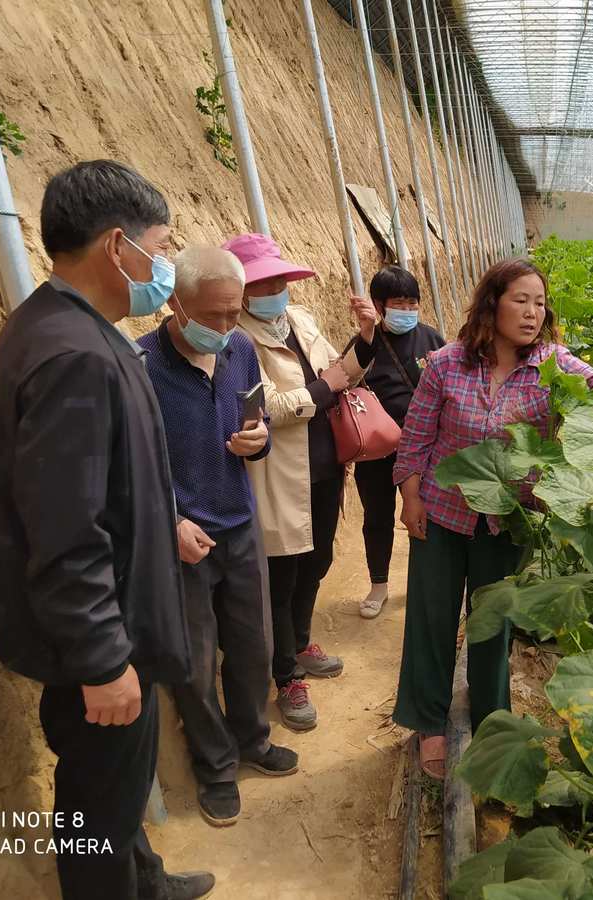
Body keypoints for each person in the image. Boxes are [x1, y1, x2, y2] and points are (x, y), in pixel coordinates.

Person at [0, 160, 213, 899]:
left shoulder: (65, 327)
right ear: (118, 247)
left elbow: (104, 484)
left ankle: (147, 882)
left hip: (111, 624)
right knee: (96, 813)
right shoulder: (72, 353)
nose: (165, 265)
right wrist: (104, 661)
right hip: (100, 643)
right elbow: (65, 530)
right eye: (160, 246)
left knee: (118, 789)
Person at [391, 258, 593, 780]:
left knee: (493, 625)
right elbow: (416, 436)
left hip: (509, 518)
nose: (532, 312)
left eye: (540, 302)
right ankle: (428, 723)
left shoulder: (552, 364)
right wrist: (411, 497)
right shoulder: (448, 364)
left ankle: (491, 724)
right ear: (492, 302)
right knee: (432, 618)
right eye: (520, 299)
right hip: (444, 510)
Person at [137, 246, 298, 829]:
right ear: (175, 303)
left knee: (253, 644)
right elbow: (132, 468)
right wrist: (170, 521)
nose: (228, 328)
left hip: (239, 521)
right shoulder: (141, 367)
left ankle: (253, 738)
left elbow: (255, 424)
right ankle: (216, 767)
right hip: (181, 539)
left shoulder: (241, 352)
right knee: (194, 662)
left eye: (236, 313)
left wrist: (259, 441)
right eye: (215, 316)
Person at [223, 233, 378, 731]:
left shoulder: (302, 320)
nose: (276, 288)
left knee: (319, 558)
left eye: (280, 280)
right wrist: (323, 389)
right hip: (279, 473)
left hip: (325, 463)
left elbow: (339, 372)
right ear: (243, 291)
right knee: (283, 573)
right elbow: (256, 407)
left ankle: (302, 640)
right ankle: (286, 674)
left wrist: (366, 341)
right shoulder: (235, 339)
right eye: (263, 282)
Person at [346, 265, 445, 618]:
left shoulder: (432, 340)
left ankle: (424, 584)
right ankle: (379, 585)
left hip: (421, 450)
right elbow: (345, 379)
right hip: (377, 448)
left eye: (412, 302)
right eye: (398, 303)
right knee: (377, 515)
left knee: (423, 515)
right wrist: (366, 335)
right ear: (378, 304)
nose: (407, 310)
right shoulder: (365, 343)